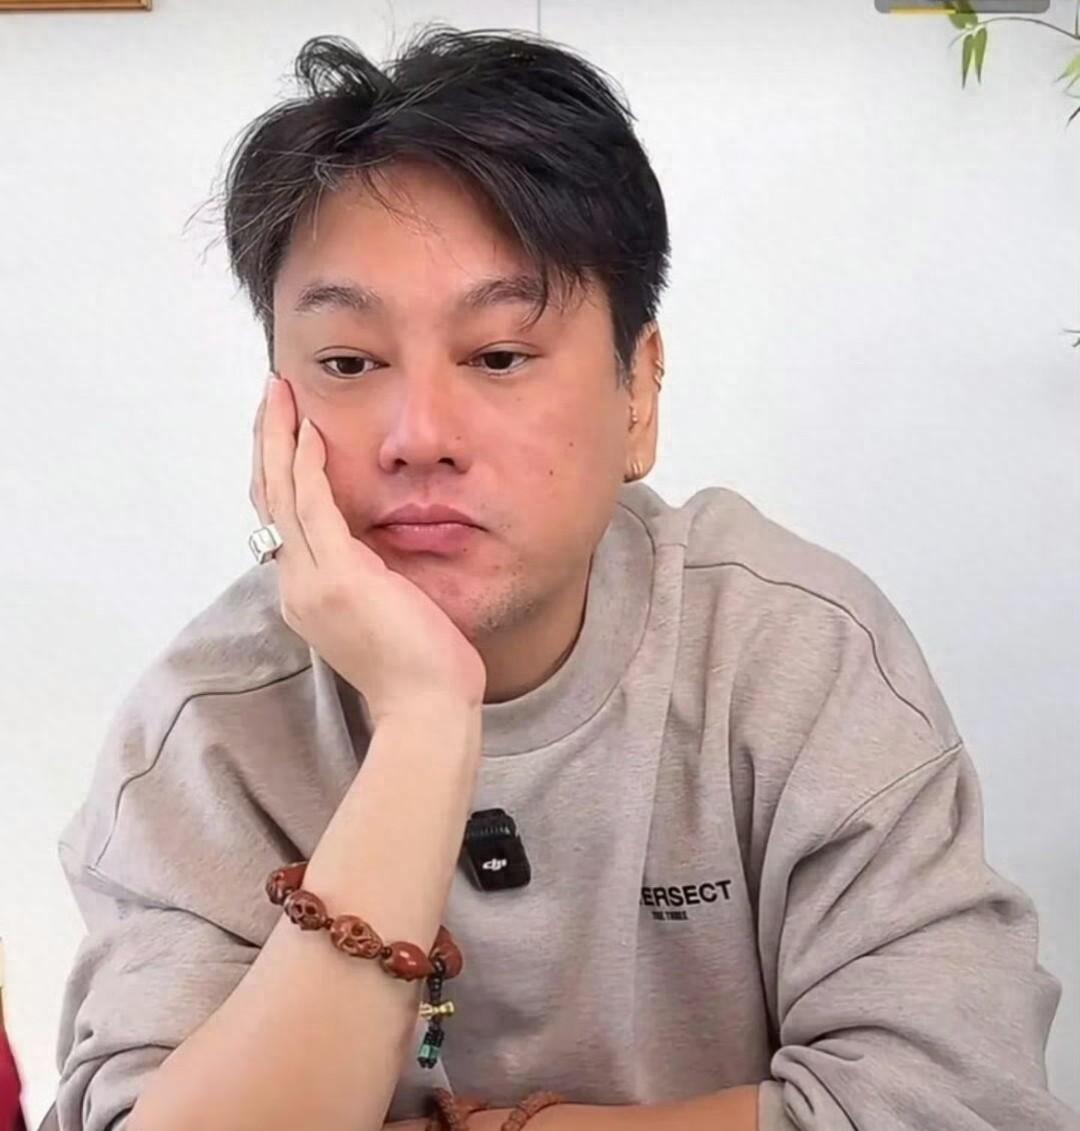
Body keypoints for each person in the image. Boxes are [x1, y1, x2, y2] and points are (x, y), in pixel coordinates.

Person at [52, 25, 1077, 1131]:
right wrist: (423, 723)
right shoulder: (207, 730)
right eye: (348, 362)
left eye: (499, 355)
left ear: (639, 393)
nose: (419, 435)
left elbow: (959, 1101)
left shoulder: (794, 654)